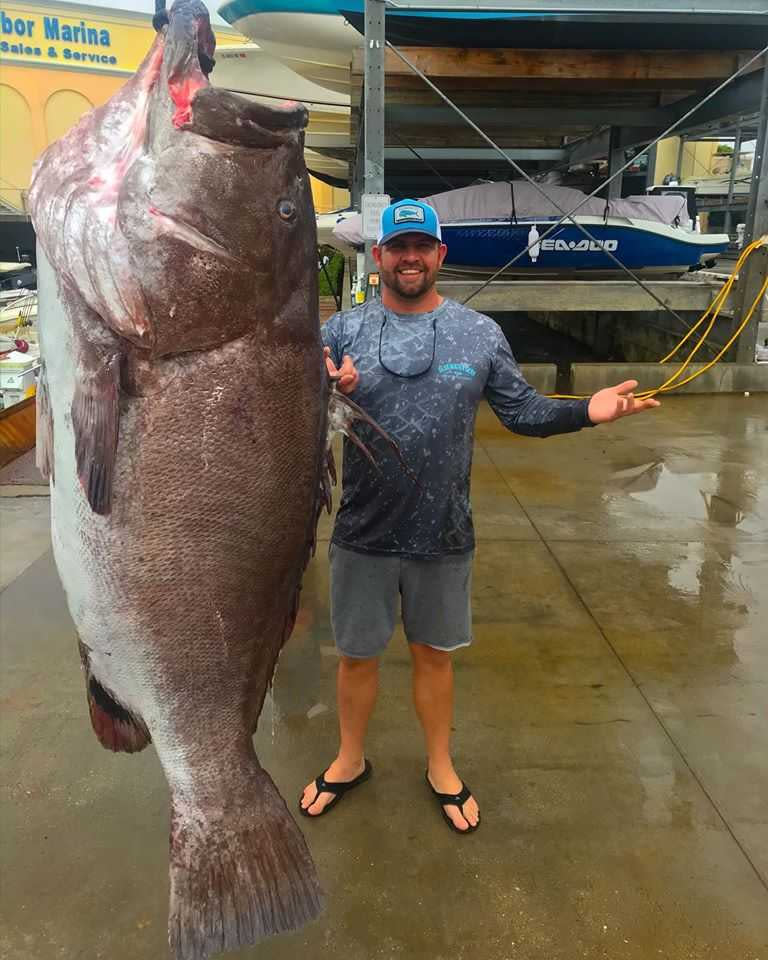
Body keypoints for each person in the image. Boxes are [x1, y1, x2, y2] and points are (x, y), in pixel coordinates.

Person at [300, 199, 659, 833]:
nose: (409, 257)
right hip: (362, 533)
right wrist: (326, 389)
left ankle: (441, 763)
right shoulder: (342, 332)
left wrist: (584, 412)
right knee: (356, 657)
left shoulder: (480, 333)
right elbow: (292, 408)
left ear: (440, 255)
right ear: (378, 256)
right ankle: (350, 758)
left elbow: (522, 412)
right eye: (398, 246)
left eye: (422, 246)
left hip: (444, 533)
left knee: (435, 655)